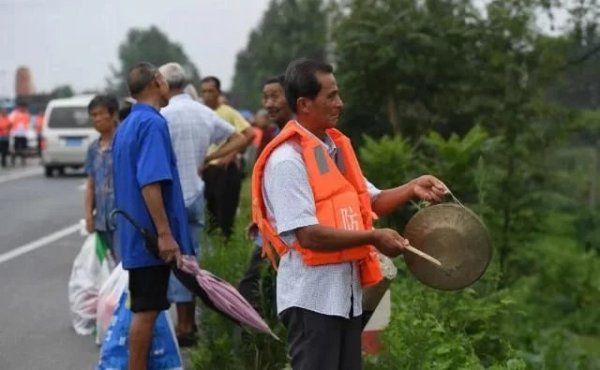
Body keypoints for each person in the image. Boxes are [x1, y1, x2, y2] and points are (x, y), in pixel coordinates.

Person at [252, 59, 447, 370]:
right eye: (330, 96)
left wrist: (412, 187)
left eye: (338, 94)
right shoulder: (287, 160)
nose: (339, 103)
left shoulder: (335, 149)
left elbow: (373, 200)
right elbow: (307, 234)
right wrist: (373, 237)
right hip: (312, 299)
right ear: (304, 104)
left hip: (347, 297)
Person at [158, 62, 247, 346]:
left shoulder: (162, 116)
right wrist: (209, 159)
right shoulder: (202, 112)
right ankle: (192, 321)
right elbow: (241, 137)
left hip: (172, 197)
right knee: (193, 258)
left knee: (176, 260)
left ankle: (183, 325)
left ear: (163, 84)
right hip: (197, 193)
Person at [112, 62, 192, 370]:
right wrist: (165, 233)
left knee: (147, 308)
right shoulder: (152, 124)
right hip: (150, 238)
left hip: (136, 235)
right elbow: (150, 181)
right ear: (158, 81)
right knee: (145, 311)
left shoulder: (128, 125)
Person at [238, 75, 293, 307]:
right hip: (271, 227)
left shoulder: (298, 138)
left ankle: (260, 340)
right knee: (259, 288)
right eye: (265, 97)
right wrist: (261, 216)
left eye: (275, 96)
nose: (269, 103)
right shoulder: (275, 135)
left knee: (252, 288)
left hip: (286, 233)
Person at [200, 76, 254, 238]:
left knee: (225, 213)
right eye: (204, 91)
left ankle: (226, 244)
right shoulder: (200, 113)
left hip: (224, 169)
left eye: (211, 91)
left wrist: (232, 154)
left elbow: (249, 134)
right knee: (209, 213)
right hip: (206, 169)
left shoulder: (228, 112)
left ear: (218, 92)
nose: (207, 95)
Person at [84, 95, 120, 261]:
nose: (96, 119)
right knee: (106, 267)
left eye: (100, 114)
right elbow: (91, 184)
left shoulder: (123, 142)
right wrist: (88, 215)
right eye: (93, 115)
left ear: (113, 115)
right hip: (101, 222)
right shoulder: (93, 149)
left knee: (123, 266)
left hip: (122, 219)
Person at [8, 100, 30, 166]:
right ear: (19, 107)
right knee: (15, 148)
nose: (24, 108)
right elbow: (9, 122)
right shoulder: (14, 114)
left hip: (24, 134)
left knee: (24, 148)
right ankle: (13, 160)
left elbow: (28, 123)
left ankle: (23, 161)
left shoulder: (26, 114)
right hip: (16, 134)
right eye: (22, 107)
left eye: (25, 107)